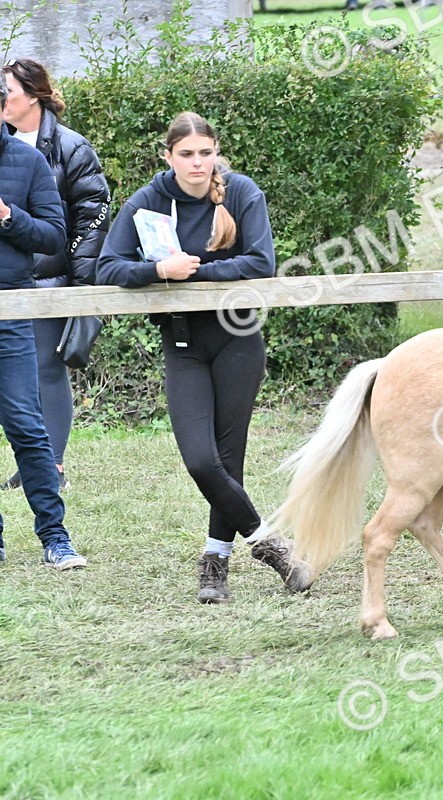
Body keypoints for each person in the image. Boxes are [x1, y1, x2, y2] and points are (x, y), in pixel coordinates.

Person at [96, 111, 311, 603]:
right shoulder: (149, 200)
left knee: (227, 459)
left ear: (216, 153)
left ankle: (215, 562)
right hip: (183, 345)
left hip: (238, 338)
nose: (197, 163)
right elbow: (107, 266)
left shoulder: (241, 192)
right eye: (186, 155)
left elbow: (261, 262)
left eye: (205, 153)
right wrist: (157, 269)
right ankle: (268, 544)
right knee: (200, 459)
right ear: (167, 156)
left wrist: (192, 274)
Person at [2, 58, 111, 493]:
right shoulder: (6, 143)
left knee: (48, 368)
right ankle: (31, 461)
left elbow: (92, 217)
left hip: (50, 277)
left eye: (7, 90)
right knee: (18, 376)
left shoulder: (70, 146)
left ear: (32, 94)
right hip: (12, 279)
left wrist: (79, 280)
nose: (2, 99)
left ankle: (54, 465)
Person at [0, 76, 87, 569]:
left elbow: (54, 236)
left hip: (11, 312)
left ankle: (55, 537)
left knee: (27, 426)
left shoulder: (29, 161)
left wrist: (9, 217)